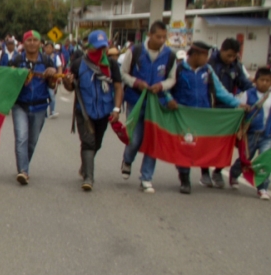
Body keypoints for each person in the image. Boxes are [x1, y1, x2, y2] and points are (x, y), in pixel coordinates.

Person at [166, 41, 242, 194]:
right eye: (204, 55)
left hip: (203, 116)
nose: (207, 58)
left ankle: (209, 173)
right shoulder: (178, 69)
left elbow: (220, 91)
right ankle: (185, 178)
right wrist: (168, 100)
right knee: (186, 145)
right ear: (195, 55)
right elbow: (166, 87)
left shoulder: (208, 70)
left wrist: (237, 104)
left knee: (202, 145)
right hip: (183, 116)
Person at [120, 21, 178, 193]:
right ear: (149, 36)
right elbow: (123, 73)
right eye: (158, 36)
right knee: (135, 138)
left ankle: (146, 177)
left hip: (157, 104)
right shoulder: (135, 52)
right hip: (136, 100)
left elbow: (172, 78)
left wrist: (161, 86)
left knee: (153, 140)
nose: (161, 40)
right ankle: (127, 159)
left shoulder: (169, 56)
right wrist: (136, 82)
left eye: (164, 37)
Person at [62, 30, 123, 191]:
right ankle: (89, 178)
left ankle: (85, 166)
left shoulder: (112, 65)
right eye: (97, 47)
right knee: (88, 141)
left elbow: (118, 87)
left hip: (104, 111)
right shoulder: (78, 64)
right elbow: (69, 87)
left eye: (103, 47)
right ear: (89, 47)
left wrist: (116, 109)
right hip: (84, 110)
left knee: (97, 143)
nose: (100, 51)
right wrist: (67, 81)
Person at [201, 38, 254, 188]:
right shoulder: (209, 65)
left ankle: (218, 171)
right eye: (229, 55)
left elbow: (245, 84)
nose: (231, 59)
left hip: (229, 111)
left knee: (226, 144)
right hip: (211, 109)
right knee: (207, 142)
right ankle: (204, 172)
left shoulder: (236, 66)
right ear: (222, 50)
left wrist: (256, 92)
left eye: (234, 56)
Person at [9, 31, 58, 184]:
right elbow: (9, 83)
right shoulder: (16, 60)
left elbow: (52, 85)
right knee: (21, 138)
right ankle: (23, 171)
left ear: (40, 43)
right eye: (28, 40)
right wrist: (19, 80)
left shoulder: (47, 61)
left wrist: (52, 76)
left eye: (35, 40)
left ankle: (24, 165)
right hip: (20, 105)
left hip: (40, 106)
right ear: (23, 43)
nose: (31, 43)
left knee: (32, 141)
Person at [229, 67, 271, 198]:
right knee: (245, 158)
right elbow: (239, 112)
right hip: (250, 133)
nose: (265, 83)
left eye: (268, 80)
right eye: (262, 80)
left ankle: (262, 188)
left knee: (265, 160)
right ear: (255, 80)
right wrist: (239, 130)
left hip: (267, 134)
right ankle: (234, 174)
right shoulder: (248, 94)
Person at [43, 41, 63, 118]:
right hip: (42, 79)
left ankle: (52, 111)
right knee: (43, 97)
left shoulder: (56, 57)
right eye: (47, 47)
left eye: (50, 48)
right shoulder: (41, 56)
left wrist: (59, 76)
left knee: (52, 96)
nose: (48, 49)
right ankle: (43, 113)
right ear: (44, 48)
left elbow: (59, 66)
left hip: (52, 80)